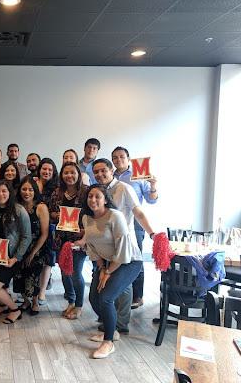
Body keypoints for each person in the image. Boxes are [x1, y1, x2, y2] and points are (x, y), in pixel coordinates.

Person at [92, 158, 155, 334]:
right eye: (96, 172)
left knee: (123, 287)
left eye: (103, 170)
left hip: (124, 246)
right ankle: (111, 319)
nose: (99, 174)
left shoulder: (124, 188)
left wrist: (152, 233)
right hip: (105, 247)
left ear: (112, 171)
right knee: (100, 292)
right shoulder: (99, 191)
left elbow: (139, 213)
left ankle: (120, 324)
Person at [82, 185, 142, 359]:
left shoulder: (115, 216)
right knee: (94, 297)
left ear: (106, 199)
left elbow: (123, 252)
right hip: (107, 262)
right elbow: (91, 246)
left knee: (106, 298)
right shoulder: (87, 218)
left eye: (97, 197)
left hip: (129, 261)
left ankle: (108, 342)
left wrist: (107, 272)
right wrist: (101, 268)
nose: (93, 200)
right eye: (90, 196)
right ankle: (112, 328)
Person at [112, 146, 159, 309]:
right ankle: (120, 292)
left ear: (128, 158)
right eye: (115, 158)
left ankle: (137, 296)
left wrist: (153, 185)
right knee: (118, 257)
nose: (119, 160)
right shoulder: (110, 176)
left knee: (135, 258)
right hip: (115, 223)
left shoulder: (139, 175)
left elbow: (151, 200)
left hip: (136, 223)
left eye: (122, 157)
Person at [0, 180, 31, 324]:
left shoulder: (19, 210)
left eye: (4, 191)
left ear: (10, 193)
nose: (1, 194)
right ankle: (3, 304)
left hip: (11, 257)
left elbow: (26, 237)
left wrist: (16, 258)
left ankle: (15, 309)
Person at [49, 162, 88, 319]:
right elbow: (51, 212)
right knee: (65, 272)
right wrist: (56, 216)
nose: (69, 176)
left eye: (72, 172)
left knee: (76, 272)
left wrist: (85, 234)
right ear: (61, 175)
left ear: (78, 174)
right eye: (66, 173)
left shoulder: (86, 192)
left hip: (78, 239)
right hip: (61, 239)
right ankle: (71, 301)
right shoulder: (57, 193)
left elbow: (92, 214)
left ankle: (79, 305)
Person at [13, 176, 49, 316]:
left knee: (32, 275)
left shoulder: (41, 207)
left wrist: (33, 252)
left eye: (30, 189)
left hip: (37, 247)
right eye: (24, 189)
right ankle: (25, 300)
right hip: (20, 247)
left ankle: (34, 301)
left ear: (34, 191)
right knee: (18, 274)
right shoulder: (17, 206)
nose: (26, 192)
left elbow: (44, 234)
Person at [35, 158, 59, 305]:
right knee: (35, 259)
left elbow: (57, 210)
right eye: (44, 169)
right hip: (33, 227)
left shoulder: (56, 188)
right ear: (39, 170)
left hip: (50, 228)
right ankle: (31, 291)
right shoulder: (32, 184)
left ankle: (42, 292)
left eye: (50, 170)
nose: (47, 172)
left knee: (48, 261)